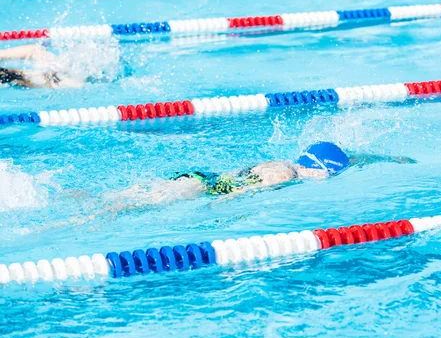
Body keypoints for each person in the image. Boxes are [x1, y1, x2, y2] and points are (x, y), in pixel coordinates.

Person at [42, 142, 415, 230]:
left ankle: (75, 198)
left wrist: (388, 159)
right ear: (322, 171)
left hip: (198, 177)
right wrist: (219, 213)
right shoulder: (284, 176)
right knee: (126, 209)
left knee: (129, 195)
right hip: (198, 190)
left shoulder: (284, 163)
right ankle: (66, 219)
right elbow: (241, 192)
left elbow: (357, 156)